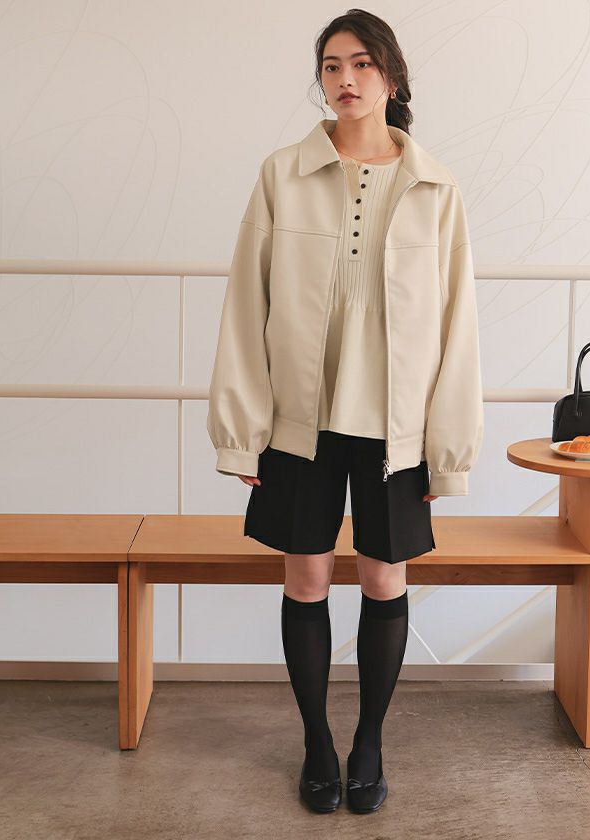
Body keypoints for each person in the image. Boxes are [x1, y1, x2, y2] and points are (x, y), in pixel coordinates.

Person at [206, 8, 484, 815]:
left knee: (384, 578)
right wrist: (243, 434)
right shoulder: (281, 174)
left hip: (397, 430)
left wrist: (448, 449)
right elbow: (245, 305)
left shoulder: (435, 186)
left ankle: (369, 743)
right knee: (305, 578)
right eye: (332, 66)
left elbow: (458, 324)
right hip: (300, 421)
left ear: (391, 76)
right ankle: (316, 745)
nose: (346, 79)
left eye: (362, 63)